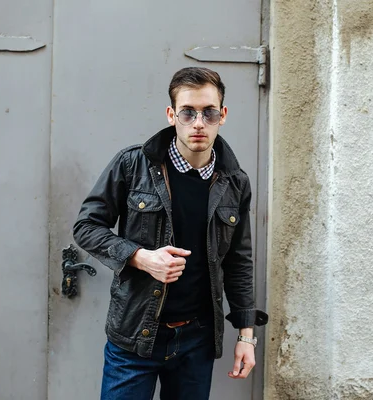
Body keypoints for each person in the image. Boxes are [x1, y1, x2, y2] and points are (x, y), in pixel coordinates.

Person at [73, 67, 268, 400]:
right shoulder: (132, 165)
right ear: (171, 115)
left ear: (222, 115)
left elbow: (239, 261)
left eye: (208, 113)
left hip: (197, 342)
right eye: (187, 112)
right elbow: (86, 227)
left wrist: (246, 336)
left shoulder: (235, 182)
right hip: (134, 338)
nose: (198, 123)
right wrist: (140, 257)